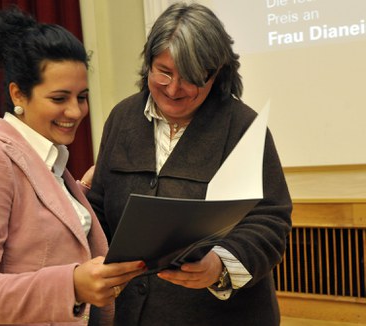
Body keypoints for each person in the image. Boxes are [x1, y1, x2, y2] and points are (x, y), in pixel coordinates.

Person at [87, 2, 293, 325]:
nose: (173, 89)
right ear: (148, 64)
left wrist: (219, 267)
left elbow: (270, 221)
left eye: (190, 78)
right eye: (163, 72)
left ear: (216, 73)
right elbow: (99, 208)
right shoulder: (121, 119)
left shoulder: (242, 127)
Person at [0, 7, 146, 326]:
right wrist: (72, 285)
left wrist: (82, 191)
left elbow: (40, 230)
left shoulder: (50, 162)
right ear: (18, 93)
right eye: (60, 98)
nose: (76, 111)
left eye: (82, 96)